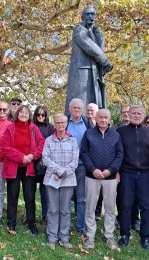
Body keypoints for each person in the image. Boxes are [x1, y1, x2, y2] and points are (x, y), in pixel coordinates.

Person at [80, 109, 123, 250]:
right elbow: (84, 153)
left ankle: (109, 235)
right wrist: (93, 169)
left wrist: (110, 170)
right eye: (101, 117)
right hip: (92, 176)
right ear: (96, 119)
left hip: (110, 178)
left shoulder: (115, 135)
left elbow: (119, 155)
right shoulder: (89, 134)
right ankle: (90, 236)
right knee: (90, 207)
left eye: (106, 117)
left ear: (109, 119)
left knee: (110, 207)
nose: (103, 120)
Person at [116, 105, 149, 250]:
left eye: (139, 113)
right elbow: (117, 153)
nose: (136, 115)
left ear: (143, 115)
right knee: (125, 205)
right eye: (133, 113)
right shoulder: (120, 131)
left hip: (145, 174)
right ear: (129, 114)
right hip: (126, 173)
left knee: (146, 207)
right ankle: (125, 234)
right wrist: (117, 171)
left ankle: (145, 237)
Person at [1, 105, 45, 235]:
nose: (24, 114)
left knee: (30, 196)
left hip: (29, 168)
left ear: (29, 115)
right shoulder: (10, 128)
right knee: (12, 196)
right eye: (22, 112)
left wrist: (32, 156)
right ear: (17, 114)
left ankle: (31, 223)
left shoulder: (33, 128)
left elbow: (41, 144)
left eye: (26, 113)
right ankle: (11, 222)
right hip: (13, 167)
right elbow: (5, 147)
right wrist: (21, 157)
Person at [65, 6, 113, 114]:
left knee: (95, 104)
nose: (90, 16)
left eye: (93, 14)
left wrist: (98, 35)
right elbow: (89, 46)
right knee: (81, 102)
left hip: (95, 72)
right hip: (82, 72)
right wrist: (105, 61)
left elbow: (99, 48)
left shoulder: (96, 32)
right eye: (88, 14)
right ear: (82, 17)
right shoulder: (79, 29)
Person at [42, 114, 79, 249]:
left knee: (65, 210)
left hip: (68, 181)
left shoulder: (72, 141)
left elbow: (75, 161)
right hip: (52, 179)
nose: (60, 125)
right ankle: (52, 237)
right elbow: (45, 158)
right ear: (54, 124)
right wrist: (58, 171)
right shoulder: (49, 140)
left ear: (66, 123)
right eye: (58, 122)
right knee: (52, 209)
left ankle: (64, 237)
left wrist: (64, 173)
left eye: (63, 122)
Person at [66, 98, 94, 236]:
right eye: (74, 108)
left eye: (79, 108)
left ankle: (80, 226)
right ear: (70, 109)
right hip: (66, 165)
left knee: (81, 197)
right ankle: (66, 224)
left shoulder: (88, 123)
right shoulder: (65, 123)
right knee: (67, 195)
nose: (77, 110)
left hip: (82, 164)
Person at [33, 106, 56, 225]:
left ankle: (45, 215)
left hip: (46, 163)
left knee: (44, 191)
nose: (40, 117)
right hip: (32, 162)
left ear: (46, 115)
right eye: (38, 114)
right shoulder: (31, 126)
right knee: (30, 191)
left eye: (43, 115)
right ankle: (30, 215)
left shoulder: (51, 128)